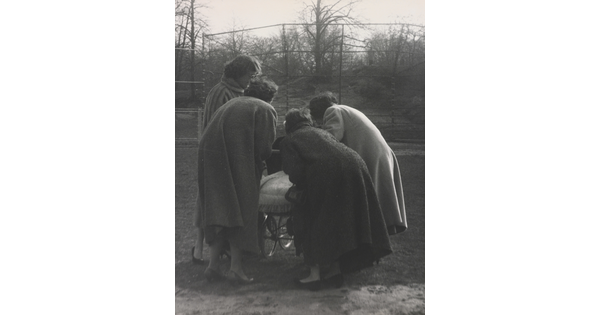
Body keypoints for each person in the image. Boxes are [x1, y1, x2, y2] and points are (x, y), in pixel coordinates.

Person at [280, 108, 392, 291]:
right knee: (342, 220)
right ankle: (335, 272)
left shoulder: (290, 139)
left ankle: (314, 276)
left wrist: (298, 184)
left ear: (289, 125)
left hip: (328, 174)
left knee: (308, 217)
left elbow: (295, 172)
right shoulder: (321, 132)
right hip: (355, 166)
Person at [195, 77, 278, 284]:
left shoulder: (232, 102)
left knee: (221, 210)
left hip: (209, 157)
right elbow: (265, 149)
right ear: (270, 97)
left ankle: (213, 266)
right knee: (242, 210)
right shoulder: (264, 108)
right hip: (234, 161)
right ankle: (236, 269)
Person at [192, 55, 262, 264]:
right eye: (249, 75)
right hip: (216, 154)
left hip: (227, 154)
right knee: (210, 201)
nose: (251, 80)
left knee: (217, 202)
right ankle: (199, 249)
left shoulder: (236, 92)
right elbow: (216, 128)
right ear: (238, 73)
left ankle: (217, 248)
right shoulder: (221, 92)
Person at [308, 92, 408, 235]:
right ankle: (375, 232)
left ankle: (367, 233)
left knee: (368, 196)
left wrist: (313, 136)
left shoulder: (333, 111)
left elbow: (331, 139)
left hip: (370, 155)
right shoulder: (345, 109)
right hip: (378, 153)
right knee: (377, 195)